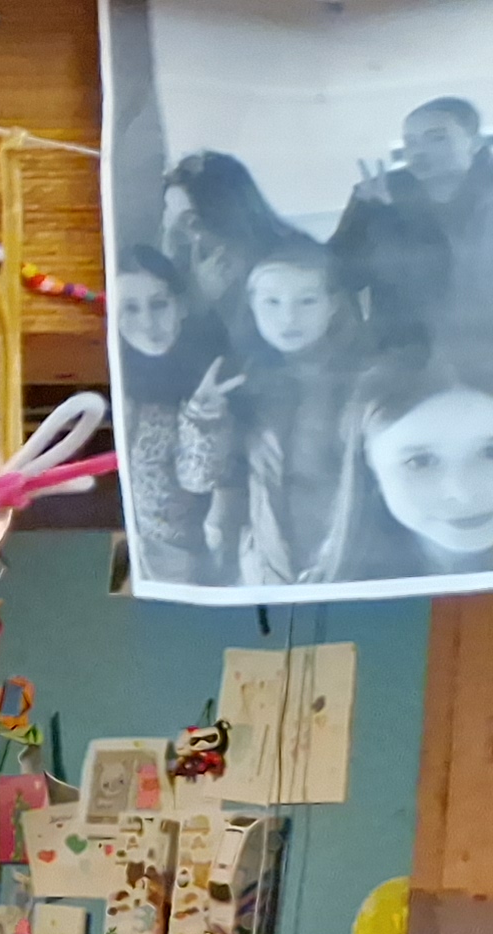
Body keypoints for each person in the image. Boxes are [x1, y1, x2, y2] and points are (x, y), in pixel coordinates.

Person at [177, 237, 373, 585]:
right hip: (260, 568)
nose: (288, 318)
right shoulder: (239, 381)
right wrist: (204, 415)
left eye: (307, 301)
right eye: (271, 302)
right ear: (252, 306)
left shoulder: (364, 382)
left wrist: (334, 562)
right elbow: (198, 480)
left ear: (332, 305)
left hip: (348, 563)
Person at [333, 98, 493, 356]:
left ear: (475, 143)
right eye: (411, 142)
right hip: (406, 355)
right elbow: (340, 276)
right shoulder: (377, 196)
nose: (419, 152)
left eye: (437, 138)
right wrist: (377, 216)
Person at [112, 243, 219, 582]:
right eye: (130, 308)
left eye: (159, 305)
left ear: (181, 305)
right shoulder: (109, 375)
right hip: (112, 543)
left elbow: (199, 479)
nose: (147, 323)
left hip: (176, 556)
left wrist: (202, 415)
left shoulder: (207, 374)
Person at [338, 349, 493, 580]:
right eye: (420, 462)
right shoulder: (315, 594)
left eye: (491, 452)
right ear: (370, 468)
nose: (463, 494)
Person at [158, 151, 295, 354]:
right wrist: (198, 303)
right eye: (168, 215)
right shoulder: (172, 279)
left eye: (191, 222)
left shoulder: (287, 270)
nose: (174, 234)